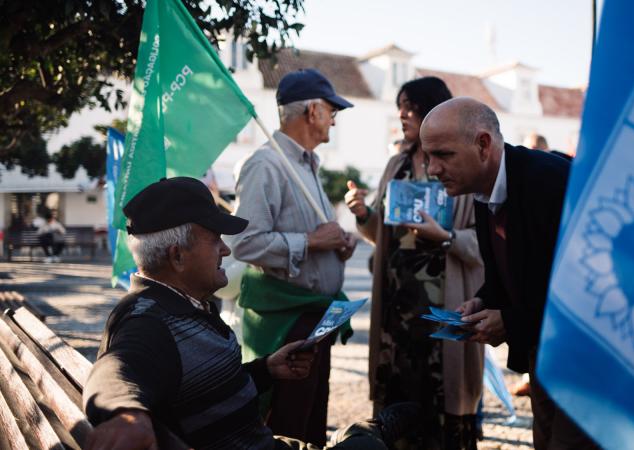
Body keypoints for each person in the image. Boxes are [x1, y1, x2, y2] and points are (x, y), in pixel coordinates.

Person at [83, 177, 417, 450]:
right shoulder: (147, 322)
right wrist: (125, 414)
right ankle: (364, 435)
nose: (227, 250)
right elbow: (115, 370)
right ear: (177, 256)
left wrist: (266, 370)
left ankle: (362, 435)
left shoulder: (181, 303)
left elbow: (199, 387)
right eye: (215, 240)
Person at [420, 97, 598, 450]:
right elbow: (517, 270)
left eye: (443, 155)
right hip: (544, 356)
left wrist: (511, 322)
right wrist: (485, 300)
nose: (432, 169)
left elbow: (585, 284)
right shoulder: (483, 189)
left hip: (584, 365)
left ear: (483, 144)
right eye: (428, 156)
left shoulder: (548, 182)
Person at [345, 77, 485, 450]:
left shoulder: (464, 166)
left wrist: (448, 238)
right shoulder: (397, 165)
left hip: (445, 306)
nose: (402, 115)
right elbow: (383, 235)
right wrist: (363, 215)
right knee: (399, 401)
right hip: (398, 312)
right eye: (399, 108)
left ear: (433, 109)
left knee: (443, 405)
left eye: (409, 106)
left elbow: (483, 241)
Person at [231, 68, 358, 446]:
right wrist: (311, 242)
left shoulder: (307, 164)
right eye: (332, 110)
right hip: (285, 322)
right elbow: (245, 244)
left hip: (314, 317)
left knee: (311, 424)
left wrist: (337, 243)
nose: (335, 118)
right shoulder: (265, 164)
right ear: (313, 112)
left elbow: (313, 236)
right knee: (285, 427)